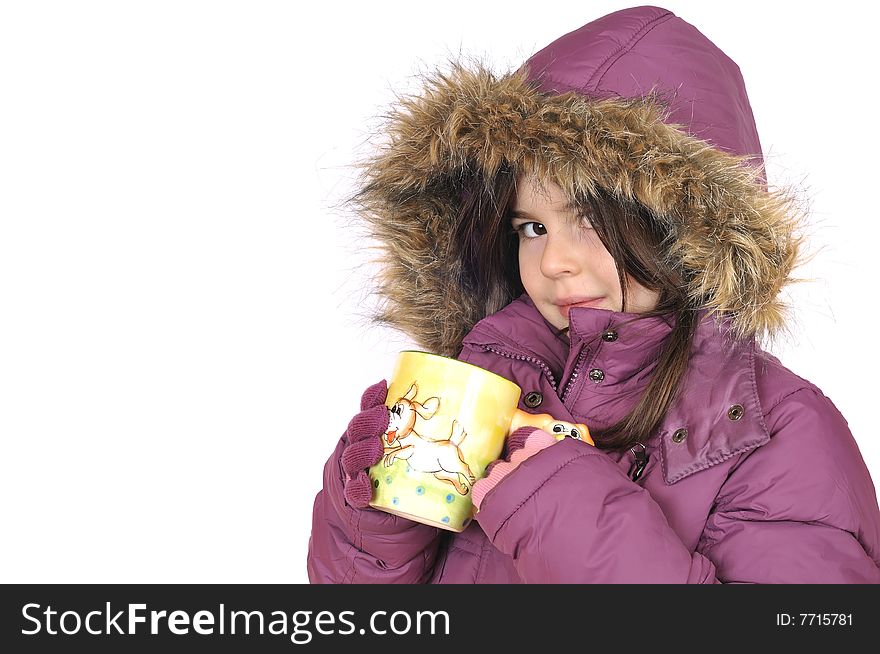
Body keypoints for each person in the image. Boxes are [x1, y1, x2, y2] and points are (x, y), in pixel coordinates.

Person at [306, 5, 880, 583]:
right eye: (531, 227)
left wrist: (569, 515)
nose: (554, 261)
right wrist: (374, 525)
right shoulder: (493, 377)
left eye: (590, 220)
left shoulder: (776, 430)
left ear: (684, 229)